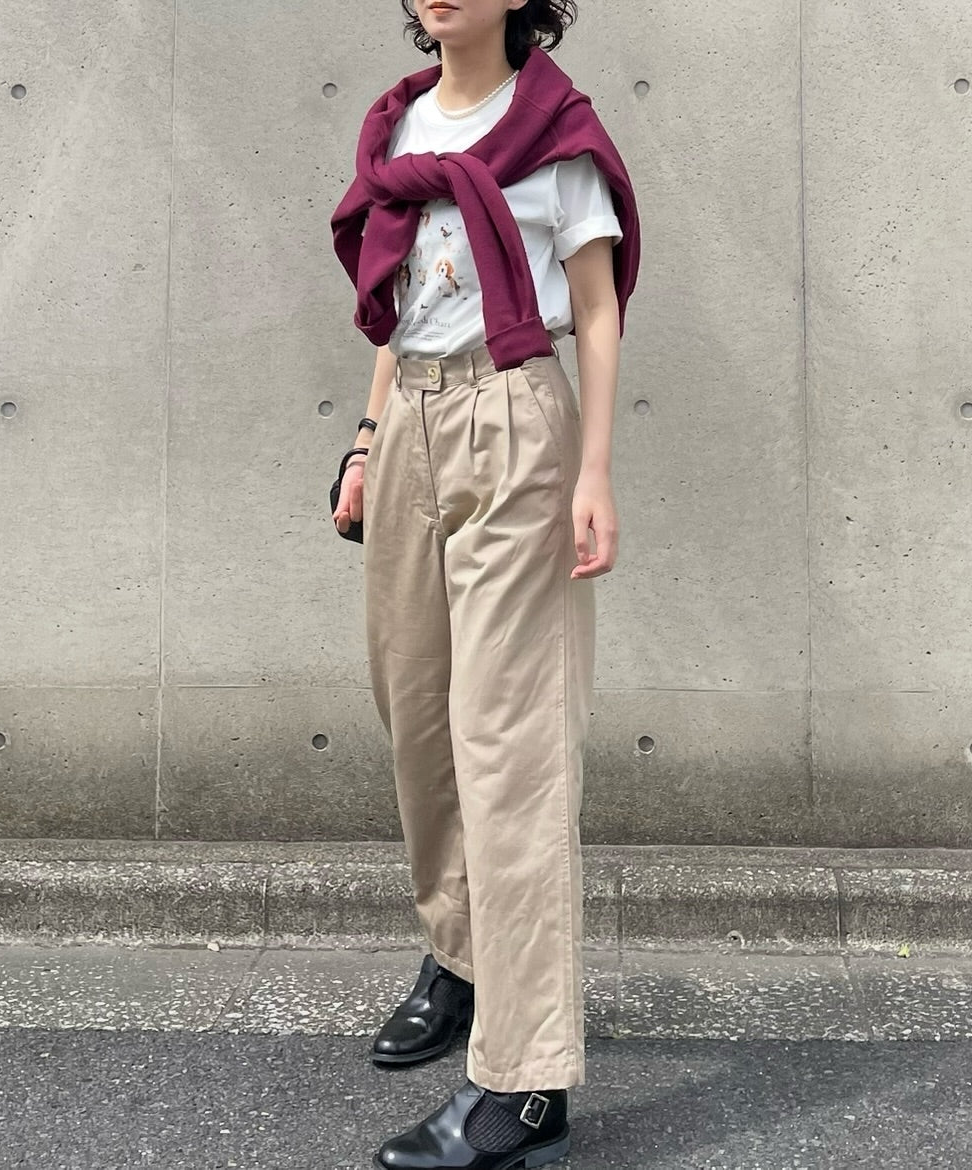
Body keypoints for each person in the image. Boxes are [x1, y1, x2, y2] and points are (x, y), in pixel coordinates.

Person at [329, 1, 640, 1165]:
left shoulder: (558, 131)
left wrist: (594, 471)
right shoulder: (398, 129)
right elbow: (402, 304)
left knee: (511, 745)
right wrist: (368, 443)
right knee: (418, 716)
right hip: (412, 413)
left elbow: (598, 308)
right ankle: (462, 957)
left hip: (516, 420)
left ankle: (526, 1078)